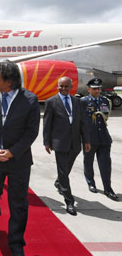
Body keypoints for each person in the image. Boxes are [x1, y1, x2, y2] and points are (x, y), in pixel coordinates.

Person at [0, 61, 40, 256]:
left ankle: (16, 245)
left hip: (19, 161)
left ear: (9, 82)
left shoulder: (30, 100)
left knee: (19, 204)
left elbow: (31, 132)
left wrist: (13, 152)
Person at [43, 76, 91, 216]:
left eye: (66, 86)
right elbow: (47, 124)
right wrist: (47, 142)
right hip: (59, 142)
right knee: (63, 171)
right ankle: (69, 201)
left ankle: (59, 182)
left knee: (66, 168)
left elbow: (83, 123)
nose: (63, 89)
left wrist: (86, 141)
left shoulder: (77, 102)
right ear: (57, 87)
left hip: (75, 142)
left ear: (71, 87)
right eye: (61, 86)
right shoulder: (51, 102)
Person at [81, 78, 118, 201]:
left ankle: (108, 188)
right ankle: (91, 183)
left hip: (104, 139)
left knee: (106, 165)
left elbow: (104, 118)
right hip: (90, 138)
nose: (97, 90)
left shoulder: (105, 101)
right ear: (88, 89)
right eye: (94, 88)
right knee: (88, 161)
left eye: (99, 88)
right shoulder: (83, 102)